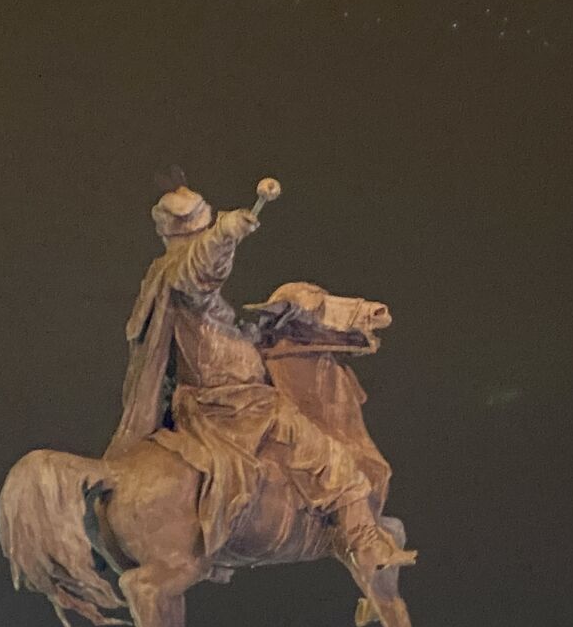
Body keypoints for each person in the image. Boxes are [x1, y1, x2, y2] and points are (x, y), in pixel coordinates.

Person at [108, 175, 414, 570]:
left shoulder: (165, 277)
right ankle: (368, 544)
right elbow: (202, 268)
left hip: (221, 397)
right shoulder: (180, 270)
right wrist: (225, 232)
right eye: (202, 226)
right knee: (331, 458)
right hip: (236, 404)